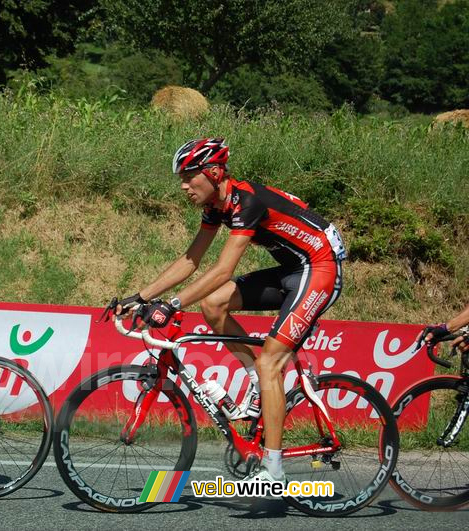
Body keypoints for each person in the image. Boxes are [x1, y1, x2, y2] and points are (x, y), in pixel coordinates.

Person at [117, 138, 346, 483]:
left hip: (320, 268)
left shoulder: (246, 201)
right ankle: (257, 379)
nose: (183, 186)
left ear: (213, 172)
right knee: (213, 304)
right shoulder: (216, 207)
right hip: (293, 269)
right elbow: (191, 260)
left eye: (189, 177)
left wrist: (173, 304)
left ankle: (273, 469)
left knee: (270, 363)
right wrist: (140, 296)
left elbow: (223, 270)